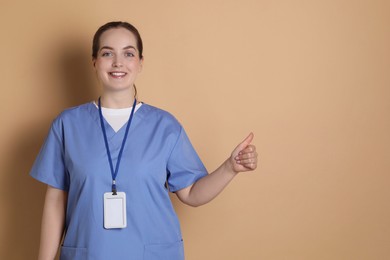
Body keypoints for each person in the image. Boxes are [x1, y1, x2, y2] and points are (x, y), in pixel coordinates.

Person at [30, 21, 258, 260]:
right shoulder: (67, 125)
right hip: (90, 252)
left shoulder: (165, 126)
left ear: (140, 62)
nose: (118, 62)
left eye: (128, 53)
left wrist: (230, 168)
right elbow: (56, 200)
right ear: (94, 62)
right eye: (107, 53)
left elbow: (191, 193)